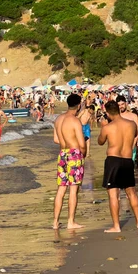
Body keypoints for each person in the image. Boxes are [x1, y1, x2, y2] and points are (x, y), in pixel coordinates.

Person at [98, 100, 138, 233]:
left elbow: (100, 142)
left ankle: (116, 226)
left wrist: (103, 126)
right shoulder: (132, 124)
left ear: (108, 112)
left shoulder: (108, 127)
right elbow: (134, 135)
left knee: (113, 193)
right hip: (128, 159)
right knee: (131, 192)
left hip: (113, 160)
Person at [53, 93, 86, 230]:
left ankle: (55, 222)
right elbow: (82, 143)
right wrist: (82, 154)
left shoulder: (59, 119)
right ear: (78, 106)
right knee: (73, 189)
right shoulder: (74, 120)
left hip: (62, 153)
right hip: (74, 153)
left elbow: (56, 139)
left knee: (61, 189)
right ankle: (70, 221)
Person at [117, 95, 138, 164]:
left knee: (129, 168)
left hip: (131, 145)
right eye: (119, 105)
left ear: (126, 103)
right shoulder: (117, 116)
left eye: (122, 104)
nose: (121, 106)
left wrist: (133, 144)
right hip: (119, 147)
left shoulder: (133, 116)